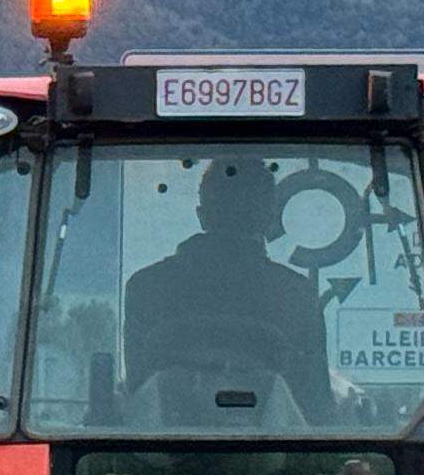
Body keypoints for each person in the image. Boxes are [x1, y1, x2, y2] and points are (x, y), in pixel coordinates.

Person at [120, 158, 334, 420]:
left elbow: (138, 392)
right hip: (280, 459)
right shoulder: (296, 294)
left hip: (161, 459)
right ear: (269, 217)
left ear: (202, 216)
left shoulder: (146, 287)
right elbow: (316, 406)